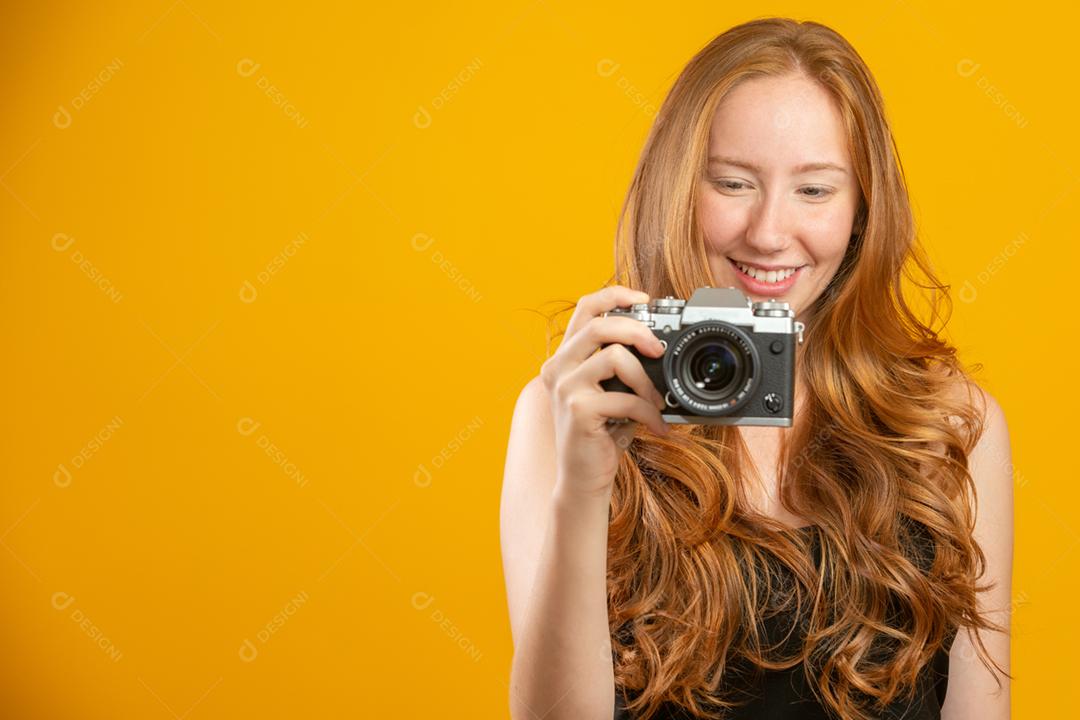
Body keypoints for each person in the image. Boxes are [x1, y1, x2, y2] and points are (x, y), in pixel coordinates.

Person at [500, 17, 1013, 720]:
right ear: (678, 187)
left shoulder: (949, 423)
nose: (769, 233)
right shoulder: (576, 408)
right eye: (733, 183)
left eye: (815, 190)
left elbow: (980, 709)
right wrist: (584, 486)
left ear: (863, 209)